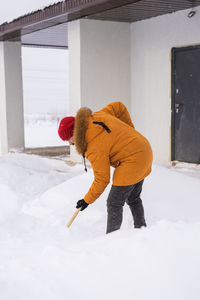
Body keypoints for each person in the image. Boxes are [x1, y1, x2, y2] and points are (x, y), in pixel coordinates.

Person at [58, 102, 153, 233]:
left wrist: (86, 200)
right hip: (144, 149)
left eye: (69, 138)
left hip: (133, 159)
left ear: (75, 131)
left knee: (114, 202)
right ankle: (141, 229)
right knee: (133, 197)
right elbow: (118, 107)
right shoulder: (96, 116)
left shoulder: (93, 146)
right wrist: (131, 132)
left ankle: (111, 240)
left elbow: (102, 179)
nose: (70, 143)